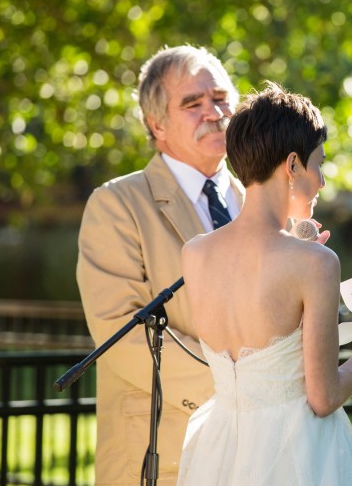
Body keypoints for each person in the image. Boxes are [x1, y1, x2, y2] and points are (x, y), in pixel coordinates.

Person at [176, 82, 352, 485]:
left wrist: (300, 252)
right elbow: (324, 399)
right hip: (296, 456)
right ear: (293, 165)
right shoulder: (314, 263)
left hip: (221, 450)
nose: (320, 181)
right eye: (319, 164)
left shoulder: (195, 253)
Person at [77, 45, 245, 485]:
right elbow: (122, 332)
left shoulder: (263, 200)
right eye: (193, 103)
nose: (214, 112)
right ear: (157, 124)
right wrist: (243, 393)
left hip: (264, 452)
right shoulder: (116, 205)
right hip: (165, 453)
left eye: (222, 97)